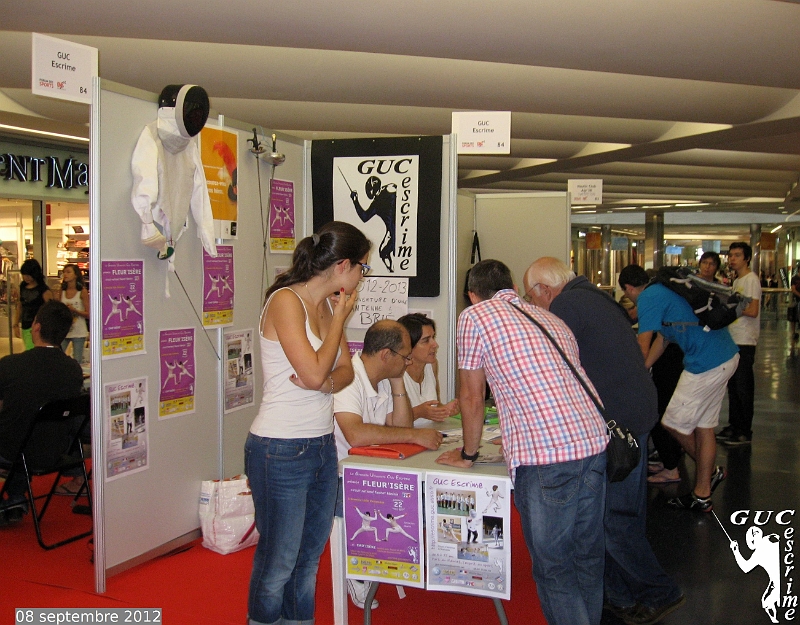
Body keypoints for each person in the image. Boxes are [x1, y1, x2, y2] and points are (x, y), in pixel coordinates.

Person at [436, 259, 608, 625]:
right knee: (587, 558)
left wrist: (468, 453)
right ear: (511, 286)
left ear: (472, 295)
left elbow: (471, 394)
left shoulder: (476, 316)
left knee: (555, 567)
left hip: (547, 455)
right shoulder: (547, 317)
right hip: (593, 442)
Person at [524, 257, 685, 625]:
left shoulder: (565, 305)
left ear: (545, 290)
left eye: (533, 299)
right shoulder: (593, 297)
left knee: (614, 519)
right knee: (617, 515)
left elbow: (556, 366)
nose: (534, 307)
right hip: (635, 412)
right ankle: (620, 594)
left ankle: (659, 591)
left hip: (619, 422)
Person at [245, 221, 370, 625]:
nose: (362, 278)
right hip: (279, 448)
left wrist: (325, 380)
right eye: (362, 269)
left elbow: (344, 373)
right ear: (343, 266)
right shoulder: (287, 301)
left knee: (308, 559)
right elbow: (316, 375)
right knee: (278, 560)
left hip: (319, 445)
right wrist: (337, 325)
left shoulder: (328, 306)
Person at [333, 319, 442, 609]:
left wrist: (397, 382)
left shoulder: (380, 378)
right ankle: (355, 568)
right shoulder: (348, 379)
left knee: (418, 495)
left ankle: (391, 558)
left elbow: (401, 425)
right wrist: (415, 435)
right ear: (386, 356)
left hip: (368, 472)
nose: (408, 362)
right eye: (405, 357)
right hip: (336, 479)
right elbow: (355, 433)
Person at [618, 264, 738, 513]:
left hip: (706, 363)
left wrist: (630, 377)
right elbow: (664, 338)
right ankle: (702, 493)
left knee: (672, 422)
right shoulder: (663, 290)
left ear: (629, 289)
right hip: (724, 356)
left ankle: (710, 471)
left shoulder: (649, 297)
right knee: (704, 426)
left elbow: (644, 343)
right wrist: (645, 370)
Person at [0, 301, 84, 526]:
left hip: (12, 450)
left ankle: (14, 498)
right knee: (27, 427)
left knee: (18, 428)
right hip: (54, 452)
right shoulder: (73, 370)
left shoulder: (11, 365)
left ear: (36, 327)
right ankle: (15, 497)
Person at [717, 242, 761, 446]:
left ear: (747, 258)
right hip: (734, 339)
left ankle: (744, 430)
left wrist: (733, 308)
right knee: (734, 387)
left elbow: (752, 310)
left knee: (742, 387)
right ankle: (735, 425)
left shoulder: (751, 280)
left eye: (737, 255)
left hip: (745, 339)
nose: (732, 259)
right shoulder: (738, 281)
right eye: (730, 255)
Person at [397, 313, 459, 427]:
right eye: (426, 341)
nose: (435, 344)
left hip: (429, 434)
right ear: (408, 346)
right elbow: (387, 421)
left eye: (433, 338)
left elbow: (435, 405)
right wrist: (418, 412)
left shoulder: (432, 365)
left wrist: (445, 409)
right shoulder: (395, 374)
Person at [14, 259, 53, 351]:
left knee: (36, 351)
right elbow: (20, 306)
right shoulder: (23, 286)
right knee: (29, 349)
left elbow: (50, 309)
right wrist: (15, 324)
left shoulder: (43, 289)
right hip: (25, 325)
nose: (26, 277)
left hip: (39, 327)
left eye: (29, 275)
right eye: (24, 275)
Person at [60, 264, 90, 363]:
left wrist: (75, 310)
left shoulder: (82, 291)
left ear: (76, 275)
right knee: (58, 355)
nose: (65, 274)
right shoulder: (62, 291)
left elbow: (88, 313)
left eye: (68, 272)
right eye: (64, 272)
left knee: (77, 359)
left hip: (78, 330)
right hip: (64, 329)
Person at [790, 272, 800, 349]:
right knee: (793, 316)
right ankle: (793, 332)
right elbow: (793, 289)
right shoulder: (794, 279)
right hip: (796, 300)